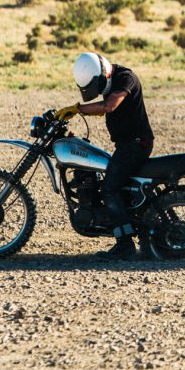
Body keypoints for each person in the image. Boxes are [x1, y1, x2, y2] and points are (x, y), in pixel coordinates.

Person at [61, 51, 155, 260]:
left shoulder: (125, 78)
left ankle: (125, 245)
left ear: (103, 72)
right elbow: (104, 109)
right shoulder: (110, 83)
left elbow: (109, 106)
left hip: (137, 145)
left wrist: (77, 109)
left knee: (109, 189)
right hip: (126, 145)